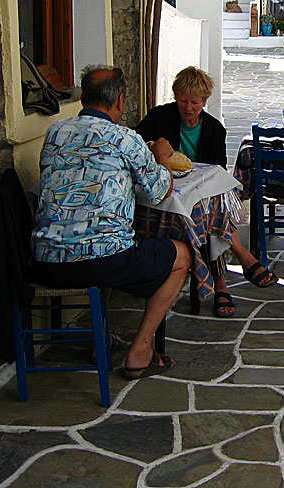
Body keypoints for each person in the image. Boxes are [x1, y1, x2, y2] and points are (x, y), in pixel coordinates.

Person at [31, 65, 192, 380]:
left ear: (83, 99)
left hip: (45, 261)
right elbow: (161, 190)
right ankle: (141, 351)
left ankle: (99, 340)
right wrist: (160, 155)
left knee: (102, 240)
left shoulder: (55, 133)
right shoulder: (125, 139)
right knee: (181, 255)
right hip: (103, 262)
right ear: (120, 101)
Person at [136, 66, 279, 318]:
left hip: (197, 197)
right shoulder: (160, 118)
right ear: (175, 97)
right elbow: (136, 142)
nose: (188, 108)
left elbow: (218, 172)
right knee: (212, 214)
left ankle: (224, 279)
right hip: (165, 199)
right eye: (183, 101)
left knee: (210, 211)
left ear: (204, 100)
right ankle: (235, 270)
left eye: (194, 102)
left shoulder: (214, 129)